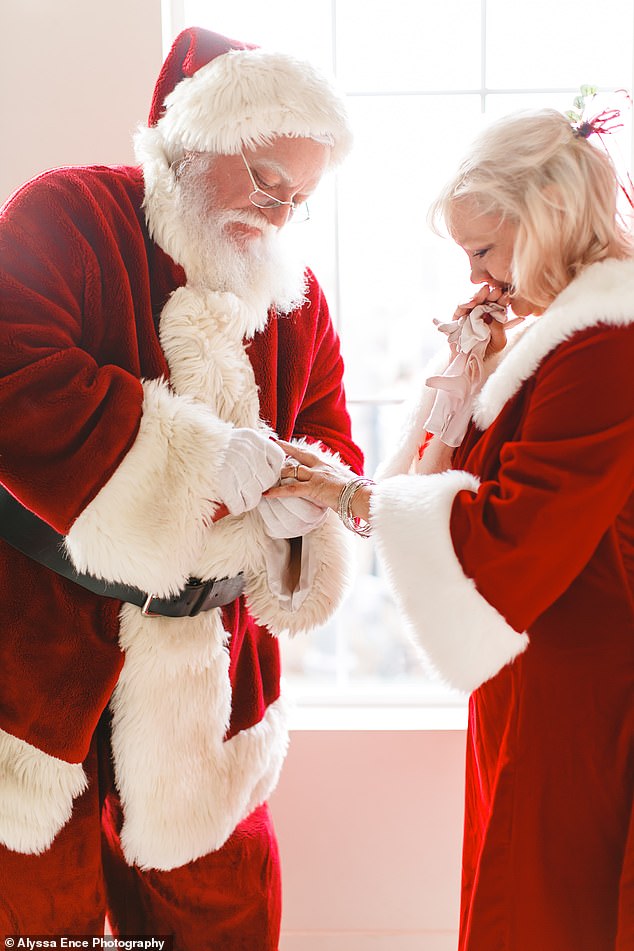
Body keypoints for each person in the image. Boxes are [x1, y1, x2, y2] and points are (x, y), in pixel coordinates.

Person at [0, 25, 363, 949]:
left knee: (228, 915)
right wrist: (195, 458)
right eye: (269, 184)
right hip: (42, 658)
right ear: (196, 138)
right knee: (42, 922)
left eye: (302, 198)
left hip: (211, 672)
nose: (282, 217)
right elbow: (13, 372)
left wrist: (300, 498)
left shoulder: (297, 294)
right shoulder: (67, 212)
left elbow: (325, 427)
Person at [271, 108, 634, 950]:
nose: (480, 276)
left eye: (485, 249)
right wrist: (471, 370)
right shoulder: (563, 334)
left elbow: (514, 532)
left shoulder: (606, 346)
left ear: (545, 221)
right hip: (536, 675)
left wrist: (353, 498)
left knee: (546, 906)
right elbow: (474, 479)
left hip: (581, 691)